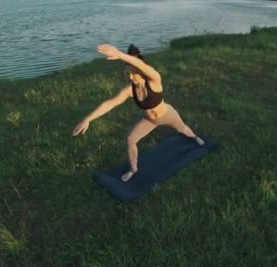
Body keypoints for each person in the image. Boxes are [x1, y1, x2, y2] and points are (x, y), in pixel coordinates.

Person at [72, 44, 205, 182]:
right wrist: (88, 119)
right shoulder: (130, 90)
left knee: (183, 129)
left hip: (167, 115)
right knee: (130, 139)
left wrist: (119, 54)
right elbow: (110, 104)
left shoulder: (154, 80)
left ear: (140, 71)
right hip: (149, 120)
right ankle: (133, 169)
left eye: (132, 73)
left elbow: (144, 67)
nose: (130, 76)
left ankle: (194, 137)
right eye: (127, 73)